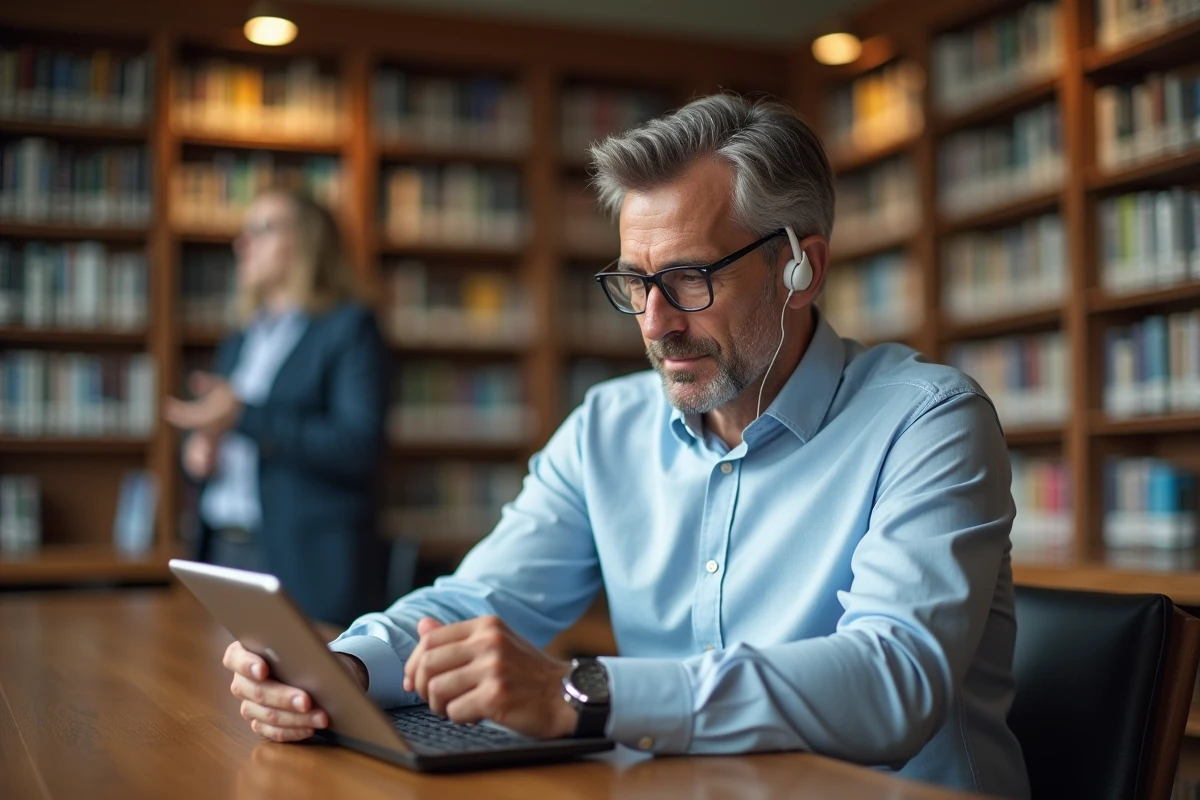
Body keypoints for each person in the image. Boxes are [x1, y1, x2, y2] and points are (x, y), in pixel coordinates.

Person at [219, 95, 1031, 798]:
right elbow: (477, 602)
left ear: (799, 267)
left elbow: (893, 681)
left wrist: (586, 693)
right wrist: (346, 672)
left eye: (689, 279)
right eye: (634, 283)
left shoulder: (930, 421)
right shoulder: (607, 428)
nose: (655, 323)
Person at [165, 188, 388, 626]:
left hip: (302, 560)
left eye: (262, 229)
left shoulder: (348, 328)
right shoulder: (240, 338)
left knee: (295, 692)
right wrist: (197, 454)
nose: (242, 243)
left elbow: (359, 446)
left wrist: (242, 416)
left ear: (306, 242)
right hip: (223, 548)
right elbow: (224, 437)